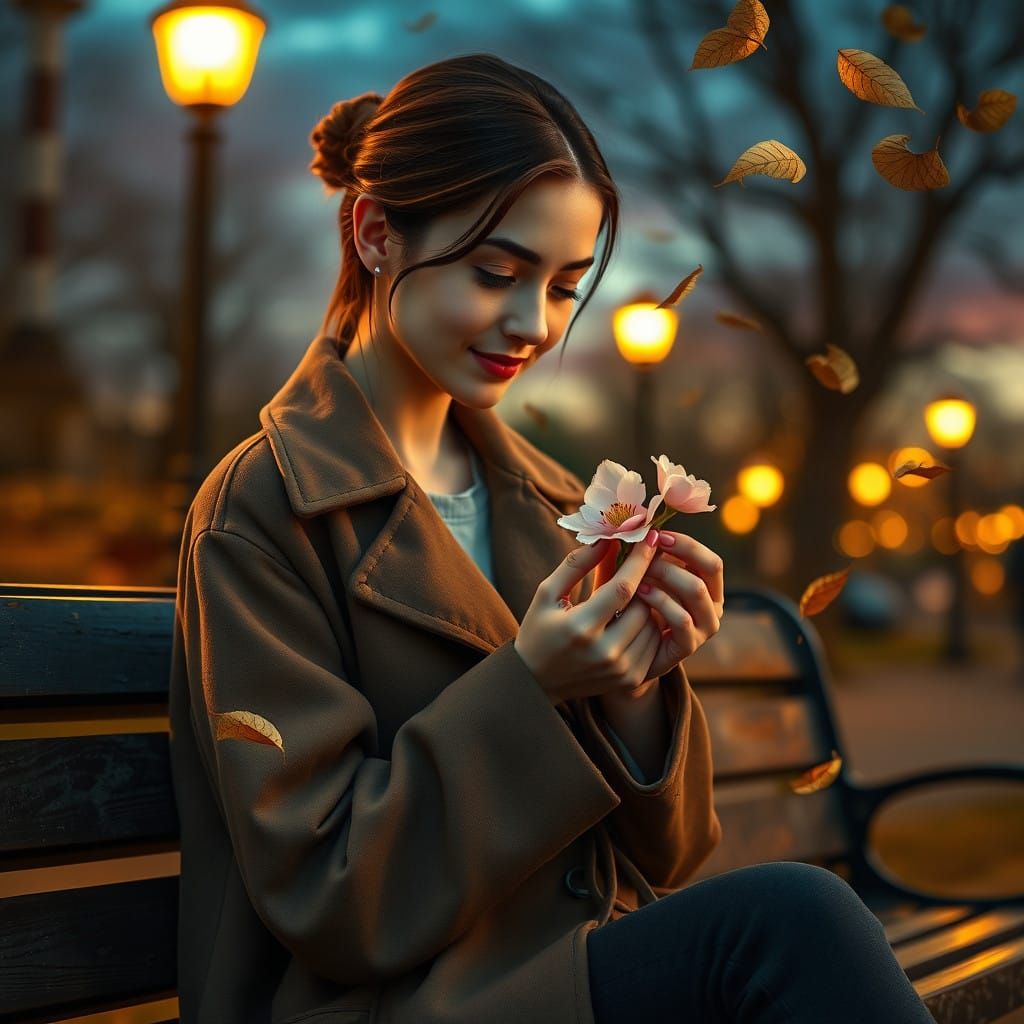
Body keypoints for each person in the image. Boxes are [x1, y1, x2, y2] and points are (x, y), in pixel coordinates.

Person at [167, 52, 937, 1024]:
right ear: (374, 234)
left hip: (559, 969)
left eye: (566, 286)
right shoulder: (263, 507)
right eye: (496, 273)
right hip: (378, 1004)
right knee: (795, 923)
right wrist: (533, 685)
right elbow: (328, 892)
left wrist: (637, 690)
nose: (533, 323)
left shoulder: (557, 499)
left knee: (795, 928)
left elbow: (671, 856)